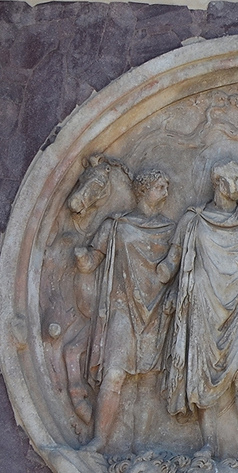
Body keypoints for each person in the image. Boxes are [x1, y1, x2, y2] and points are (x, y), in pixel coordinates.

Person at [163, 160, 238, 458]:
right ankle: (209, 443)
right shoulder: (194, 220)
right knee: (204, 373)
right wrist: (169, 288)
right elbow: (177, 261)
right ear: (217, 183)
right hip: (204, 303)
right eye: (232, 179)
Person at [78, 167, 175, 451]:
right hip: (123, 306)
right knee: (115, 373)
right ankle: (100, 440)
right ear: (143, 190)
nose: (166, 192)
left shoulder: (169, 230)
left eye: (167, 187)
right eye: (160, 186)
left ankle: (141, 446)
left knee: (148, 379)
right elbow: (93, 260)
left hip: (156, 309)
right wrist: (82, 259)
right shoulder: (117, 225)